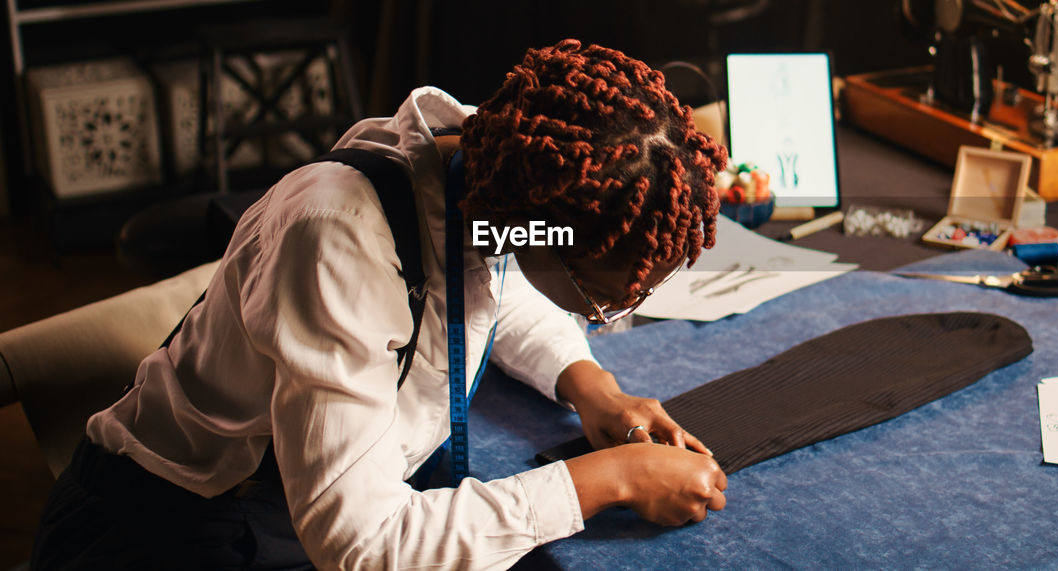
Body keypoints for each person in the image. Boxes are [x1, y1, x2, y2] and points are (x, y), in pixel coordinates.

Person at [31, 39, 730, 569]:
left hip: (273, 512)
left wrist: (593, 388)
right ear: (540, 231)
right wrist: (604, 480)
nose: (607, 314)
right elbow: (358, 541)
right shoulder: (338, 239)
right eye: (602, 302)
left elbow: (497, 286)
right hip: (168, 534)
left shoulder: (500, 178)